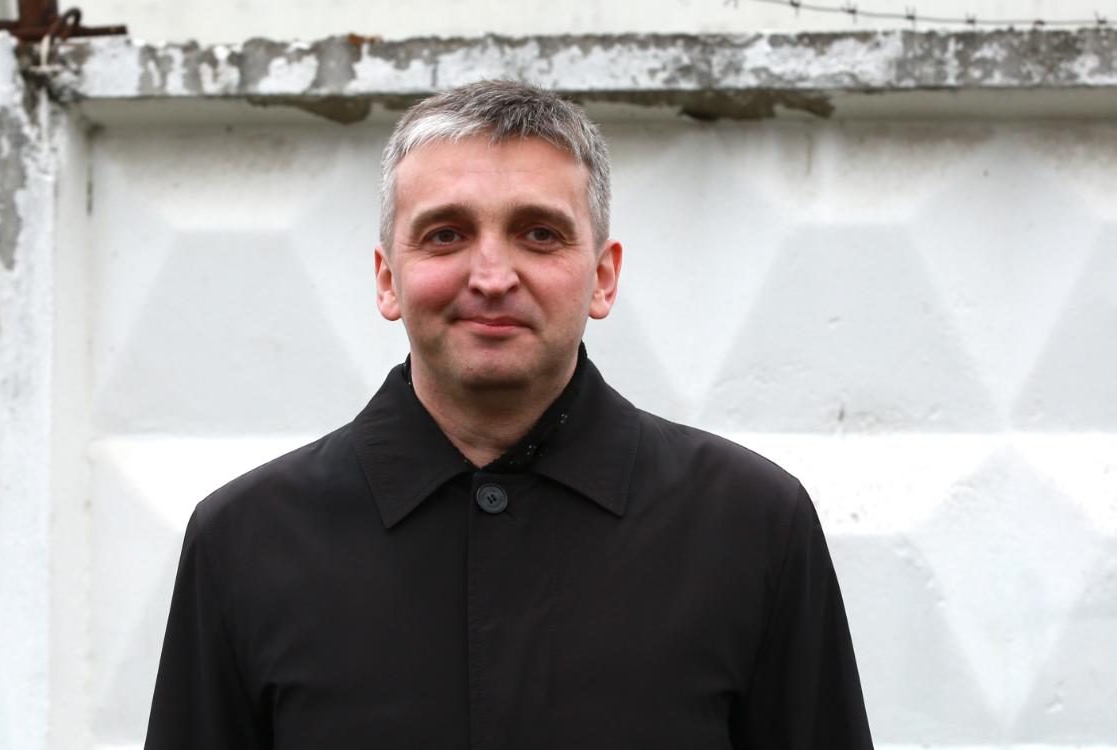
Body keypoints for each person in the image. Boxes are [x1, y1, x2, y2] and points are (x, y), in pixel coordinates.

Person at [144, 80, 873, 749]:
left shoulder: (752, 525)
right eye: (446, 234)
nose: (492, 277)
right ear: (387, 279)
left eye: (539, 234)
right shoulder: (242, 541)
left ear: (603, 277)